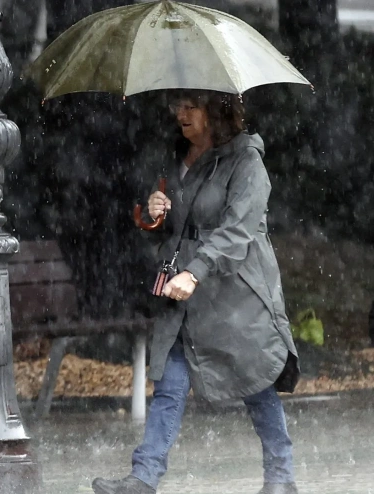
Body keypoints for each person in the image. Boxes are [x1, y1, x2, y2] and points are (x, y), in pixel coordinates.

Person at [91, 90, 301, 494]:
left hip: (235, 294)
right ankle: (144, 478)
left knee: (255, 381)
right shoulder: (176, 159)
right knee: (169, 384)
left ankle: (281, 478)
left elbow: (237, 232)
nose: (181, 114)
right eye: (177, 106)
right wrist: (153, 214)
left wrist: (197, 271)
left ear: (217, 110)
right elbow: (174, 225)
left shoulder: (246, 162)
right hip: (182, 292)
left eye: (191, 106)